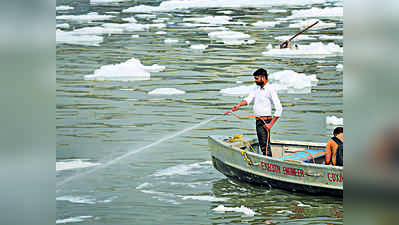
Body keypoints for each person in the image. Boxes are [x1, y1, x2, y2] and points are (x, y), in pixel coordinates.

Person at [230, 68, 283, 157]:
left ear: (263, 78)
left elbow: (279, 109)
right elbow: (248, 99)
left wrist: (270, 125)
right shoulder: (256, 88)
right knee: (263, 144)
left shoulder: (270, 90)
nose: (255, 81)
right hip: (258, 121)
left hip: (265, 121)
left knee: (265, 146)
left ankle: (268, 163)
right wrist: (238, 105)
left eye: (257, 78)